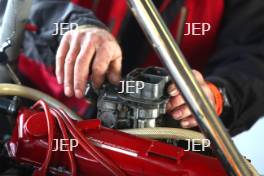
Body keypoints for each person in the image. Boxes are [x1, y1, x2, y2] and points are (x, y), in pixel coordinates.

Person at [18, 0, 264, 136]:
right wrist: (72, 25)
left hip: (159, 145)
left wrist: (216, 95)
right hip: (33, 119)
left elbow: (254, 59)